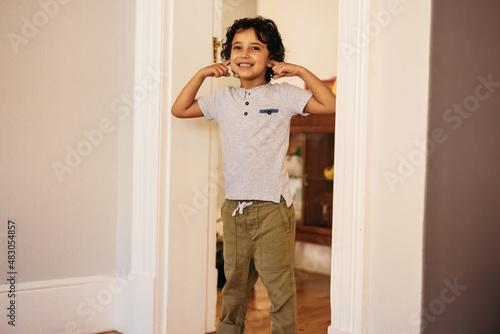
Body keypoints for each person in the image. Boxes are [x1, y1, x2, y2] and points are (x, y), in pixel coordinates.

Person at [171, 16, 335, 334]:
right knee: (234, 285)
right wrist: (203, 73)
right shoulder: (223, 99)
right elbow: (180, 109)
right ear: (228, 58)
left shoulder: (284, 95)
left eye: (255, 47)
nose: (245, 54)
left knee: (279, 287)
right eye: (237, 48)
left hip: (272, 207)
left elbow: (330, 104)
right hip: (234, 209)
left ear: (271, 57)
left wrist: (300, 71)